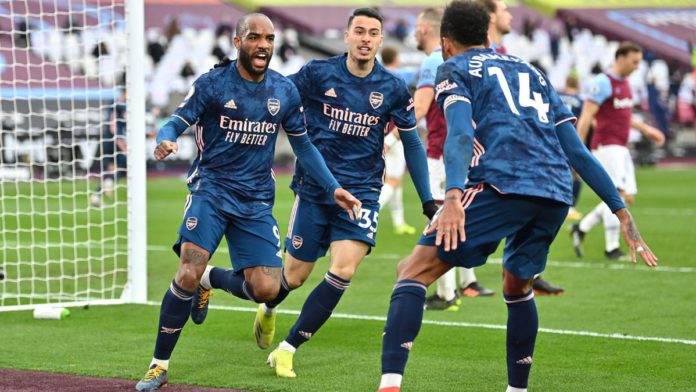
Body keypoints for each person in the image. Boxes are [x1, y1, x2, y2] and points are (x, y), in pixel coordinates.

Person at [377, 3, 658, 392]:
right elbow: (577, 152)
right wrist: (621, 210)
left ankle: (389, 386)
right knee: (516, 285)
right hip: (556, 193)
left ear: (445, 43)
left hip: (502, 182)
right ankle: (517, 389)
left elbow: (459, 134)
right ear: (488, 36)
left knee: (412, 270)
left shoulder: (453, 69)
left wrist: (454, 196)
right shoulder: (532, 71)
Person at [189, 8, 436, 380]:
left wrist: (428, 199)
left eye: (373, 33)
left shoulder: (393, 88)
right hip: (315, 190)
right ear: (347, 36)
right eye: (360, 31)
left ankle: (287, 349)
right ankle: (210, 279)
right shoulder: (318, 75)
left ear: (381, 40)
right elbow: (272, 91)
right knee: (287, 280)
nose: (366, 38)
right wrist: (230, 77)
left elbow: (413, 145)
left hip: (363, 192)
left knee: (343, 270)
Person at [134, 13, 360, 391]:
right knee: (187, 268)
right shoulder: (212, 84)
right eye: (255, 37)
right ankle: (159, 365)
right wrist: (166, 137)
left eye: (269, 39)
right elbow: (177, 120)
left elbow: (303, 145)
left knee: (268, 290)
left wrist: (333, 186)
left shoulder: (283, 90)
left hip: (255, 200)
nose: (264, 45)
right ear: (238, 42)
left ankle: (211, 279)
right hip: (212, 191)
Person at [478, 0, 563, 295]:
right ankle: (449, 289)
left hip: (515, 164)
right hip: (482, 161)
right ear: (489, 17)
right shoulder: (472, 58)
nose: (511, 14)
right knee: (446, 236)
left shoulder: (508, 57)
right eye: (504, 9)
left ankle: (526, 274)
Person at [413, 7, 495, 312]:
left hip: (441, 151)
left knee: (439, 218)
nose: (416, 30)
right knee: (462, 213)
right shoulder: (482, 61)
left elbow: (420, 108)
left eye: (419, 25)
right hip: (474, 154)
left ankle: (446, 293)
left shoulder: (435, 61)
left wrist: (390, 137)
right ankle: (467, 280)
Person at [571, 42, 665, 261]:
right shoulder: (602, 82)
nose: (636, 66)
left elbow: (624, 115)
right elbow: (585, 117)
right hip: (606, 145)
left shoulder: (625, 84)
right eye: (634, 62)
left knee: (628, 196)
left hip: (621, 147)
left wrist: (647, 129)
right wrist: (577, 150)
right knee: (618, 195)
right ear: (620, 58)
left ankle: (581, 228)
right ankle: (611, 247)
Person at [379, 45, 417, 236]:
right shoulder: (399, 79)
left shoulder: (377, 76)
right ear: (395, 58)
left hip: (381, 133)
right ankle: (370, 213)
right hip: (395, 135)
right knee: (393, 180)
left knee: (396, 180)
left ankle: (399, 222)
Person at [91, 88, 127, 207]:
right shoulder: (120, 107)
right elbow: (114, 128)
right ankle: (109, 181)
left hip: (107, 140)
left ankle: (96, 196)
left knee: (111, 168)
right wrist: (122, 146)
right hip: (115, 141)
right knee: (121, 168)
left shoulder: (113, 104)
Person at [558, 73, 585, 221]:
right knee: (576, 174)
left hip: (554, 138)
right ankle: (570, 207)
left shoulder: (557, 95)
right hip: (571, 139)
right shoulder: (579, 101)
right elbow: (583, 122)